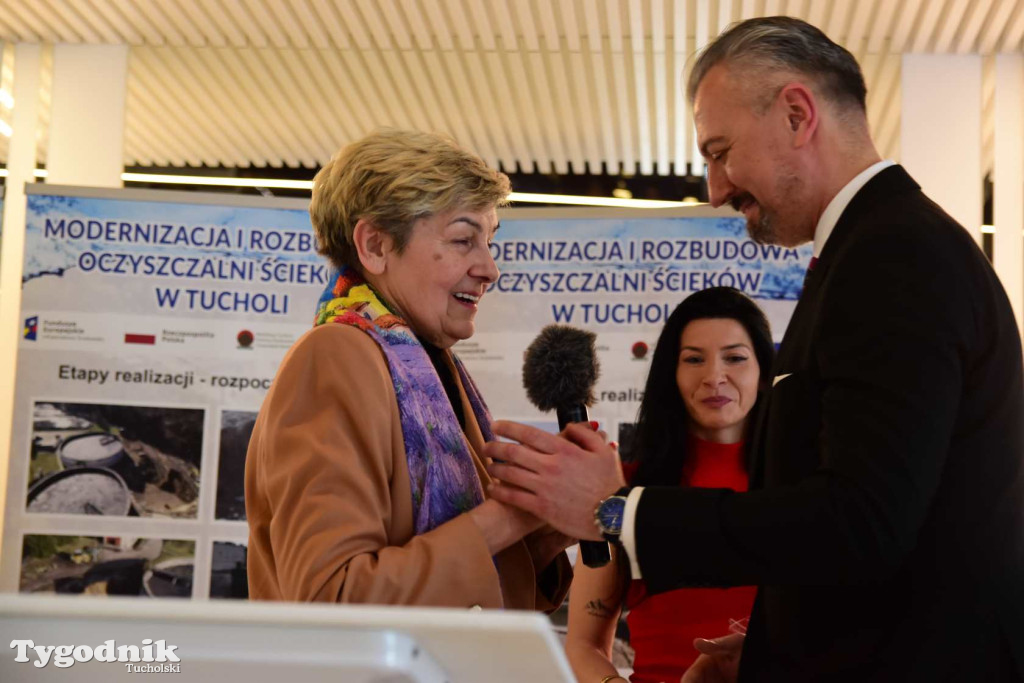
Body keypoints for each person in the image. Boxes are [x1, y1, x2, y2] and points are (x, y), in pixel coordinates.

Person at [485, 16, 1024, 682]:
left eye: (720, 151)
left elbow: (861, 521)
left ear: (798, 114)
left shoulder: (894, 254)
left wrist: (616, 510)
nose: (716, 188)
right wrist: (771, 653)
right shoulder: (871, 249)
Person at [245, 129, 571, 610]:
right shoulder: (335, 355)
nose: (490, 268)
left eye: (489, 241)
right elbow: (332, 596)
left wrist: (545, 530)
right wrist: (514, 515)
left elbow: (460, 573)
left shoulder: (427, 365)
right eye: (463, 239)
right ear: (375, 245)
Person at [565, 288, 773, 683]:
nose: (714, 377)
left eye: (735, 358)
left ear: (763, 373)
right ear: (671, 375)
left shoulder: (805, 485)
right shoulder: (623, 490)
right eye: (694, 359)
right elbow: (583, 644)